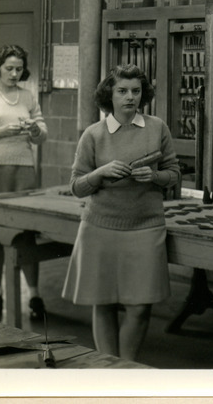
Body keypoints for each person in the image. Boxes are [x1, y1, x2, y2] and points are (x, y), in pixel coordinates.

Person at [62, 64, 180, 361]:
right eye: (122, 91)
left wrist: (155, 178)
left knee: (140, 307)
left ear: (144, 94)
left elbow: (175, 173)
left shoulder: (157, 128)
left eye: (136, 91)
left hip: (145, 226)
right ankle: (108, 373)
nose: (130, 97)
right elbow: (76, 187)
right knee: (102, 303)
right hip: (100, 227)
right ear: (109, 95)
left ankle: (126, 371)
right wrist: (100, 173)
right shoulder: (93, 134)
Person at [0, 44, 48, 320]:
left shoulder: (27, 96)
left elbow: (42, 132)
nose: (15, 74)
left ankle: (35, 296)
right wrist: (0, 132)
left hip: (22, 170)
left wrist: (36, 130)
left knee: (25, 235)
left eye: (19, 69)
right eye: (9, 68)